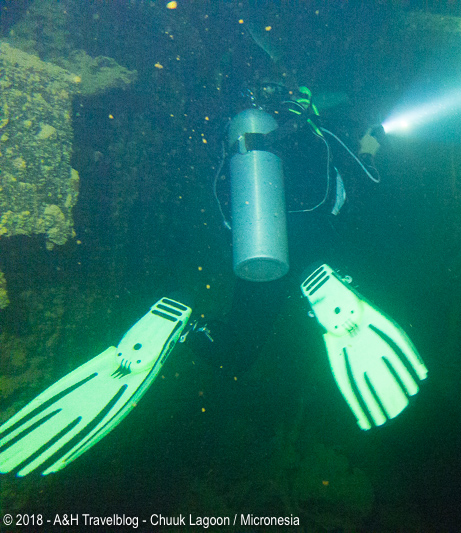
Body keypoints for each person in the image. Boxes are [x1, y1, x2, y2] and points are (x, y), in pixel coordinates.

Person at [0, 84, 428, 477]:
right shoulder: (319, 132)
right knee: (337, 250)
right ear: (306, 104)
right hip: (316, 240)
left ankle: (184, 326)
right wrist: (370, 150)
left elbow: (211, 198)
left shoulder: (239, 140)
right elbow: (366, 184)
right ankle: (327, 290)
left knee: (238, 351)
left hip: (255, 247)